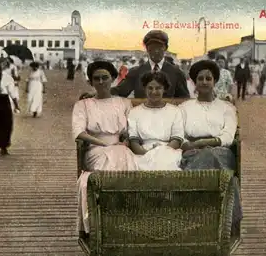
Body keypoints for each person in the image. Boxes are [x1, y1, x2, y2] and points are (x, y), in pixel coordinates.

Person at [72, 60, 138, 235]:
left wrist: (126, 140)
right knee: (111, 163)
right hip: (95, 148)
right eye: (96, 79)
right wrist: (103, 143)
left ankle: (124, 218)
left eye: (105, 78)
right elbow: (79, 132)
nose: (101, 82)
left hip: (120, 146)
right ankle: (105, 219)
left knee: (127, 163)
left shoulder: (124, 103)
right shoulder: (83, 105)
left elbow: (131, 130)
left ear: (114, 79)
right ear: (91, 82)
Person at [178, 59, 242, 236]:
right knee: (218, 170)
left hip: (221, 152)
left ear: (214, 82)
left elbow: (228, 137)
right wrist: (188, 144)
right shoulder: (184, 108)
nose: (204, 82)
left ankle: (193, 218)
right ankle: (224, 220)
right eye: (200, 79)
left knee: (211, 156)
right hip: (191, 153)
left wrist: (201, 144)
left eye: (208, 78)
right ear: (194, 83)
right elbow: (178, 134)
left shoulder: (226, 108)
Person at [127, 71, 184, 171]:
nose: (154, 92)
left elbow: (177, 140)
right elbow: (134, 142)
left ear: (164, 89)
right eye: (150, 88)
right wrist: (148, 153)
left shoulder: (175, 111)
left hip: (169, 151)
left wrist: (161, 151)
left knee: (164, 163)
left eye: (158, 88)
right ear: (145, 88)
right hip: (143, 152)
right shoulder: (134, 112)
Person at [110, 30, 189, 98]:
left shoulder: (176, 73)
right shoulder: (136, 72)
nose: (156, 51)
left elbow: (184, 100)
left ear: (166, 48)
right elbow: (119, 92)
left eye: (159, 47)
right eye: (152, 47)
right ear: (147, 49)